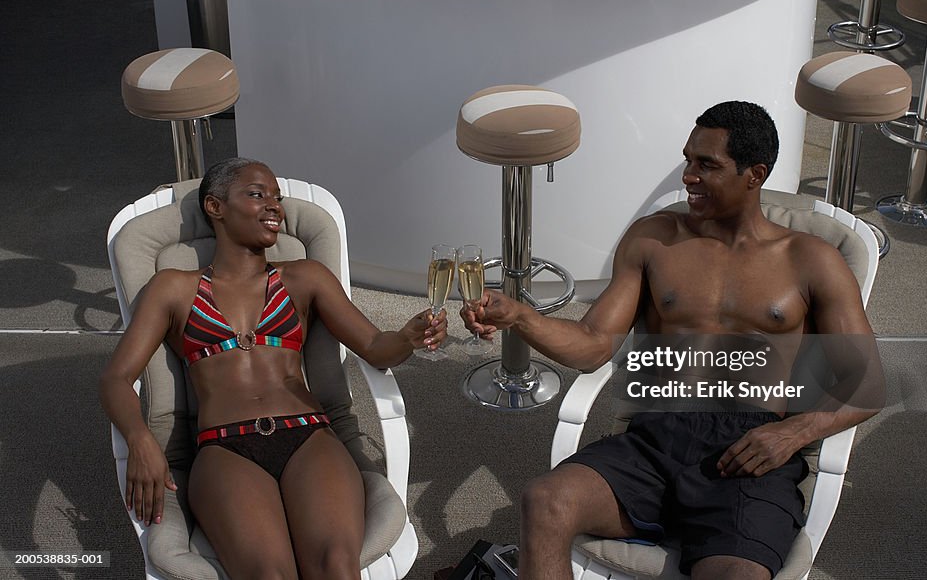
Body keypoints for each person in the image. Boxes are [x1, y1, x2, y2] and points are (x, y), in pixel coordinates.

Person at [461, 101, 883, 580]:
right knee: (545, 501)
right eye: (688, 160)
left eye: (707, 165)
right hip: (654, 438)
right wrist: (521, 317)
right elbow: (594, 344)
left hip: (747, 451)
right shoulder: (654, 239)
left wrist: (794, 433)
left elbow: (866, 382)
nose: (688, 176)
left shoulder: (811, 259)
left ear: (754, 174)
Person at [100, 157, 448, 579]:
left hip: (309, 437)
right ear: (215, 207)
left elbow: (376, 347)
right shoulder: (174, 287)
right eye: (256, 194)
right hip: (224, 449)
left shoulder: (306, 278)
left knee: (336, 567)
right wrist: (140, 440)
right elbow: (117, 378)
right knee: (269, 575)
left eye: (277, 199)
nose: (274, 207)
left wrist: (407, 338)